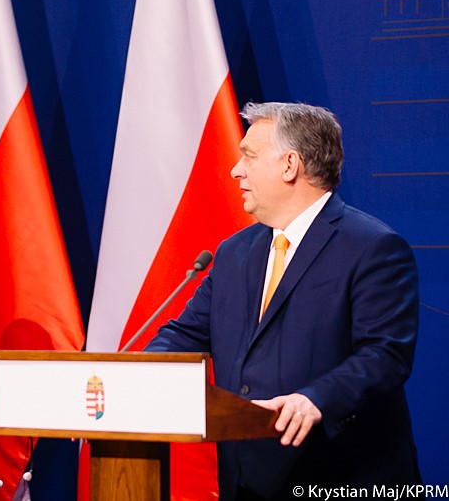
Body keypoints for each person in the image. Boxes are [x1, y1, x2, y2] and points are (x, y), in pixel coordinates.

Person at [146, 102, 421, 500]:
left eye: (249, 157)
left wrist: (315, 398)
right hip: (248, 484)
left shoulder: (372, 248)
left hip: (339, 477)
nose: (235, 170)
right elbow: (184, 334)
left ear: (290, 165)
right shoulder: (233, 253)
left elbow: (384, 355)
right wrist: (133, 381)